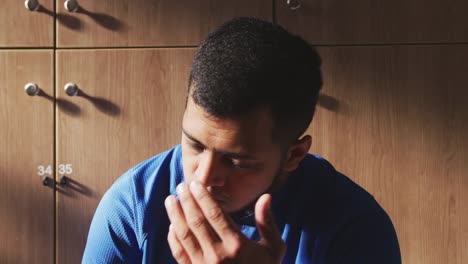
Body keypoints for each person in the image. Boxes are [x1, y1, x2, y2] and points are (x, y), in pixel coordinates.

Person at [82, 17, 401, 263]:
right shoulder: (130, 208)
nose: (203, 179)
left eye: (236, 161)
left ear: (294, 155)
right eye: (194, 145)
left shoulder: (356, 226)